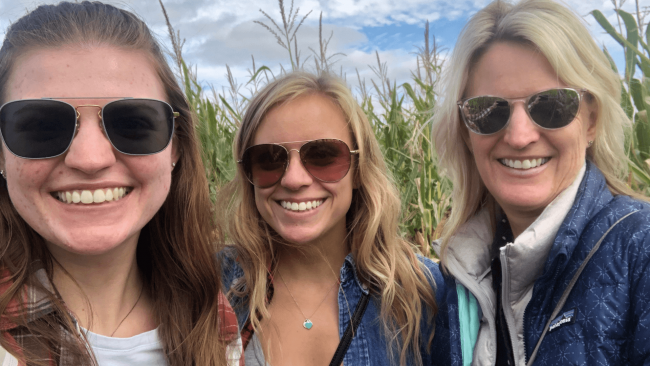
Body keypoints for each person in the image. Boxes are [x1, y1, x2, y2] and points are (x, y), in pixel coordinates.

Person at [0, 2, 241, 365]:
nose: (90, 159)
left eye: (133, 124)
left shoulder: (214, 327)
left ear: (175, 147)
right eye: (41, 127)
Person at [431, 0, 650, 364]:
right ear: (466, 134)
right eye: (489, 111)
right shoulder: (455, 281)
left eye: (551, 106)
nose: (519, 136)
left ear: (591, 120)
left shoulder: (640, 252)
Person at [218, 71, 448, 366]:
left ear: (358, 169)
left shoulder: (423, 294)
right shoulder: (212, 285)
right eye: (269, 159)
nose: (294, 179)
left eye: (323, 155)